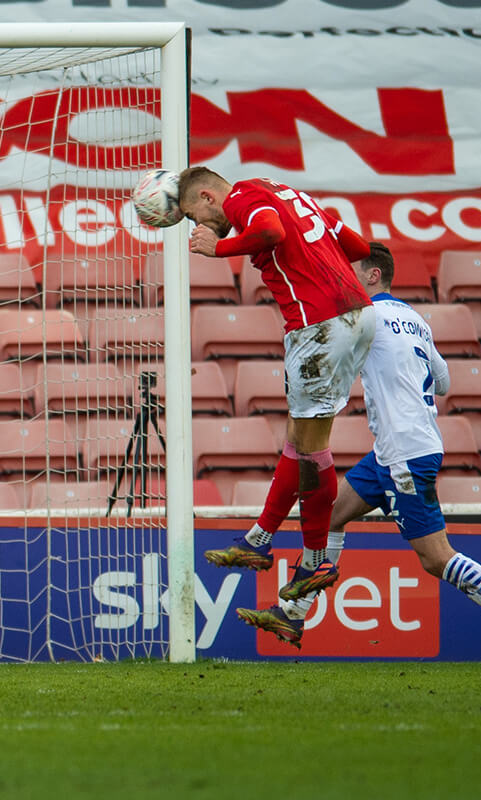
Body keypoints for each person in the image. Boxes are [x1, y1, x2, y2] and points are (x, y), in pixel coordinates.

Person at [236, 243, 481, 670]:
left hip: (405, 452)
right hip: (394, 450)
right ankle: (293, 617)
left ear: (372, 277)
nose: (346, 279)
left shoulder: (366, 319)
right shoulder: (416, 319)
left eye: (353, 272)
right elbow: (442, 381)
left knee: (436, 558)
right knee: (329, 514)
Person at [180, 167, 379, 601]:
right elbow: (360, 247)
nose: (198, 226)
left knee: (311, 451)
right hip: (359, 315)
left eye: (194, 214)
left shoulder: (242, 198)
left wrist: (221, 248)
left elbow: (268, 231)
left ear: (209, 197)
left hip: (319, 323)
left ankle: (313, 561)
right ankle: (258, 540)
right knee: (299, 440)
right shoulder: (288, 191)